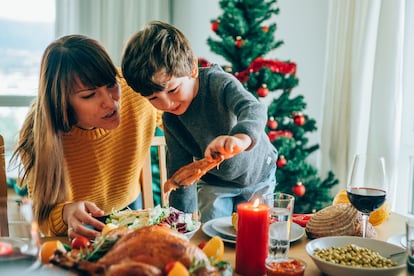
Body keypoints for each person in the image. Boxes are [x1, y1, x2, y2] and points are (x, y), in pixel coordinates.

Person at [121, 21, 277, 222]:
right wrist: (180, 223)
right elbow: (180, 172)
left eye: (173, 90)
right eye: (153, 98)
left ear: (192, 69)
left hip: (259, 174)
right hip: (215, 183)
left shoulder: (219, 83)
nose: (167, 103)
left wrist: (240, 139)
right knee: (212, 234)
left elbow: (252, 108)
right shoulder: (171, 120)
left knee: (258, 233)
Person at [11, 34, 162, 239]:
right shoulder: (36, 133)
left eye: (111, 85)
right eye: (89, 95)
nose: (110, 103)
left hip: (131, 209)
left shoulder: (134, 89)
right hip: (78, 224)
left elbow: (181, 109)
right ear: (62, 101)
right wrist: (65, 213)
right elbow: (43, 217)